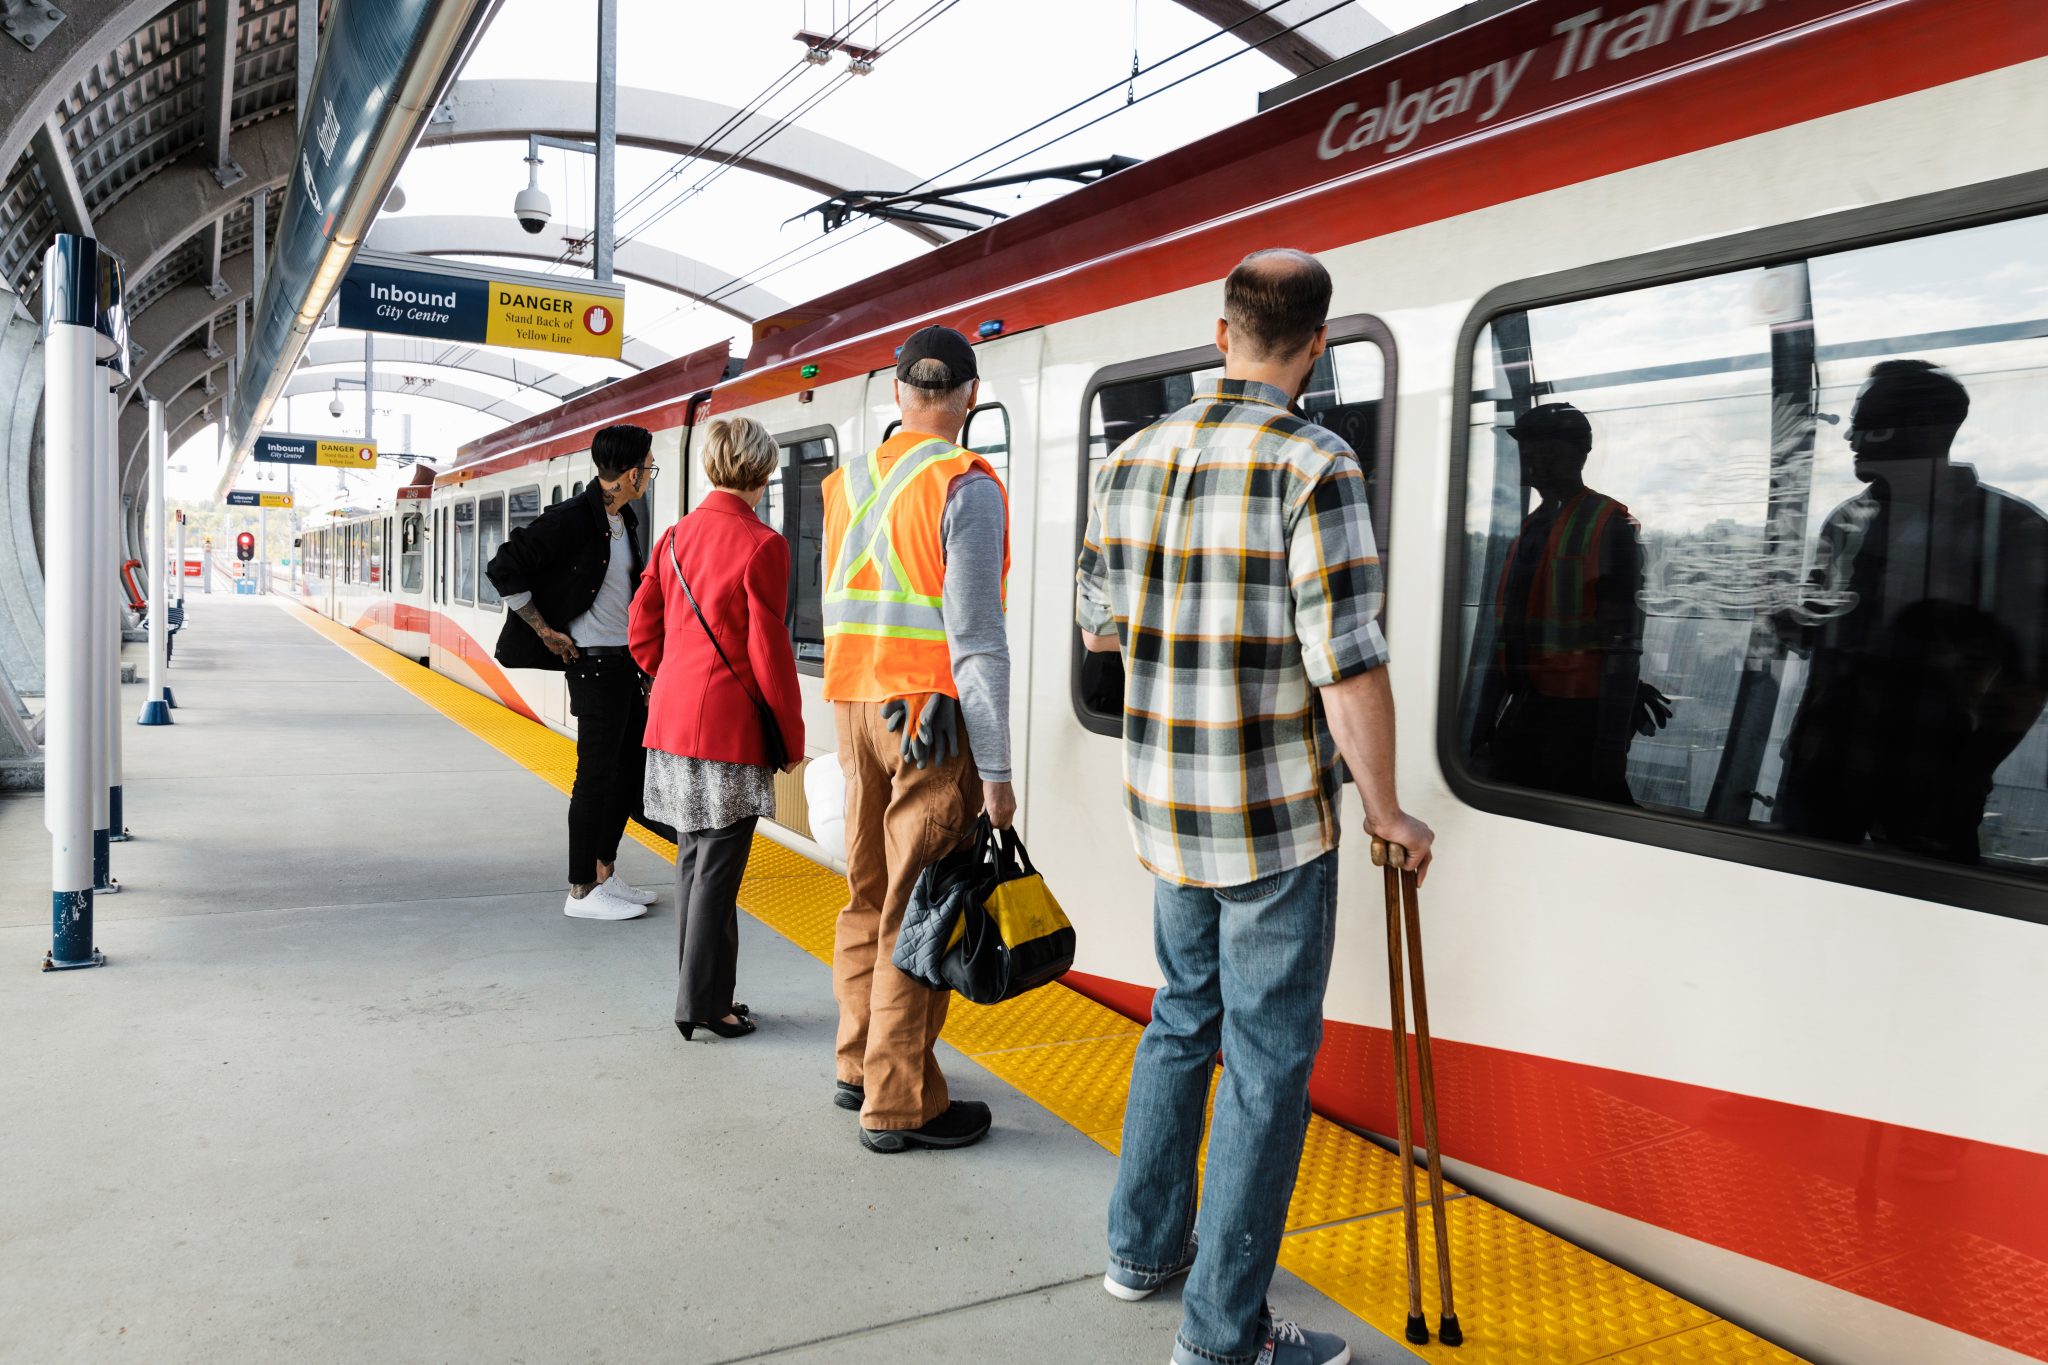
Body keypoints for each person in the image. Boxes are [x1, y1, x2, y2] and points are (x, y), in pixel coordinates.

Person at [1077, 248, 1434, 1365]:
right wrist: (1387, 810)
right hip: (1272, 818)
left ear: (1222, 332)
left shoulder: (1130, 458)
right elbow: (1347, 660)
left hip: (1164, 808)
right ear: (1316, 345)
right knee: (1267, 1066)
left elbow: (1099, 631)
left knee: (1181, 1020)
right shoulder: (1316, 464)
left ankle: (1139, 1252)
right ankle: (1222, 1336)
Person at [821, 324, 1013, 1154]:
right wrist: (997, 770)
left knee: (868, 892)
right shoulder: (964, 483)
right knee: (919, 904)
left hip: (856, 704)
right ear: (970, 396)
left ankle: (857, 1064)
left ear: (899, 394)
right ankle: (900, 1102)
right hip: (928, 720)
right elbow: (978, 639)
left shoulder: (848, 482)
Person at [1776, 359, 2048, 860]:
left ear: (1927, 427)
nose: (1851, 437)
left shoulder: (2014, 531)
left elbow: (2030, 677)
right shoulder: (1847, 521)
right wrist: (1794, 621)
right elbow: (1820, 632)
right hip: (1823, 768)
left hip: (1928, 786)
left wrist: (1963, 778)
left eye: (1869, 423)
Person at [629, 418, 804, 1041]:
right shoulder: (763, 544)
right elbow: (770, 655)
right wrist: (791, 737)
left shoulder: (675, 536)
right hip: (728, 731)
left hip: (671, 723)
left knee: (693, 861)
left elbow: (640, 628)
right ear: (764, 470)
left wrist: (675, 676)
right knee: (718, 872)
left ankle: (705, 993)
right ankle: (701, 1004)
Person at [486, 424, 661, 920]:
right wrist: (544, 630)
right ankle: (581, 890)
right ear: (632, 473)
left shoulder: (624, 519)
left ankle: (604, 872)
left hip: (625, 664)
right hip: (593, 667)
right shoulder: (570, 519)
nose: (649, 474)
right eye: (648, 467)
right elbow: (503, 566)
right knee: (595, 778)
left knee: (628, 773)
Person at [1467, 402, 1659, 803]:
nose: (1526, 457)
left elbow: (1624, 642)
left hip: (1578, 715)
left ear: (1572, 454)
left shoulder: (1607, 525)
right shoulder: (1532, 527)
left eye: (1537, 446)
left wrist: (1609, 744)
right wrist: (1480, 724)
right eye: (1525, 447)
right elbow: (1509, 633)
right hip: (1532, 703)